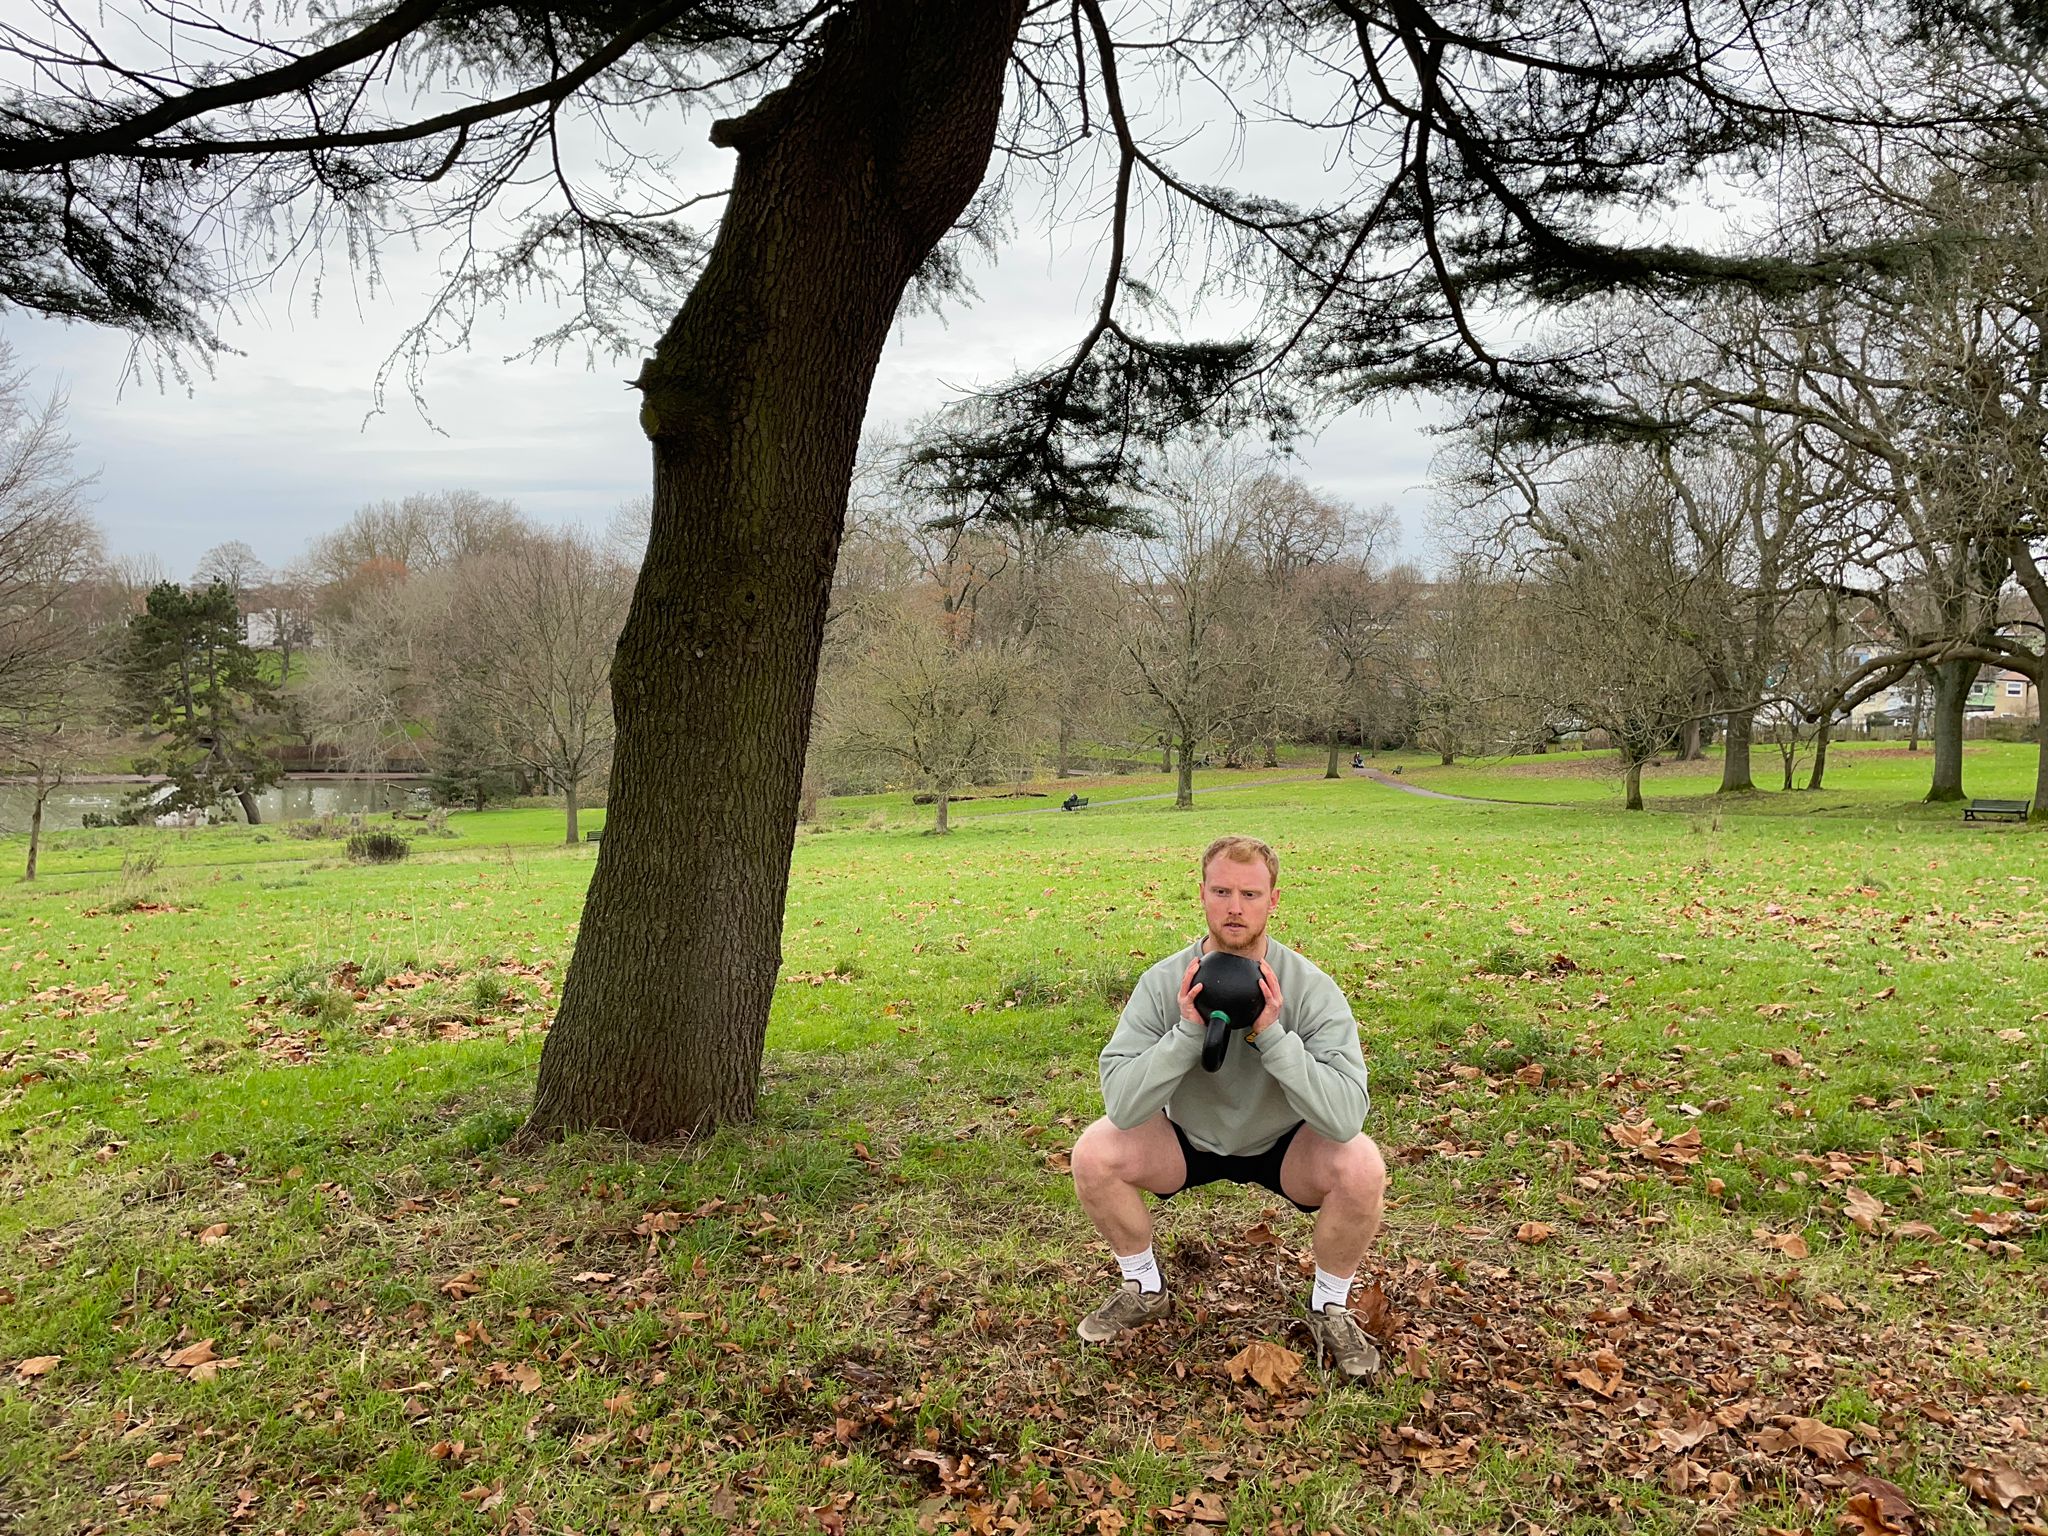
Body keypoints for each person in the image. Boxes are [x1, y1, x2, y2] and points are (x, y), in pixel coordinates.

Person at [1069, 834, 1387, 1379]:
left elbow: (1343, 1118)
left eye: (1250, 893)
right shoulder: (1165, 982)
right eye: (1221, 891)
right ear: (1202, 894)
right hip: (1187, 1138)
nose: (1235, 907)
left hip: (1284, 1145)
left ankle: (1329, 1306)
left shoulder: (1312, 990)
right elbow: (1122, 1106)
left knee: (1362, 1165)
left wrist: (1274, 1036)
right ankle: (1145, 1289)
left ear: (1273, 901)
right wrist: (1186, 1035)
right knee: (1095, 1153)